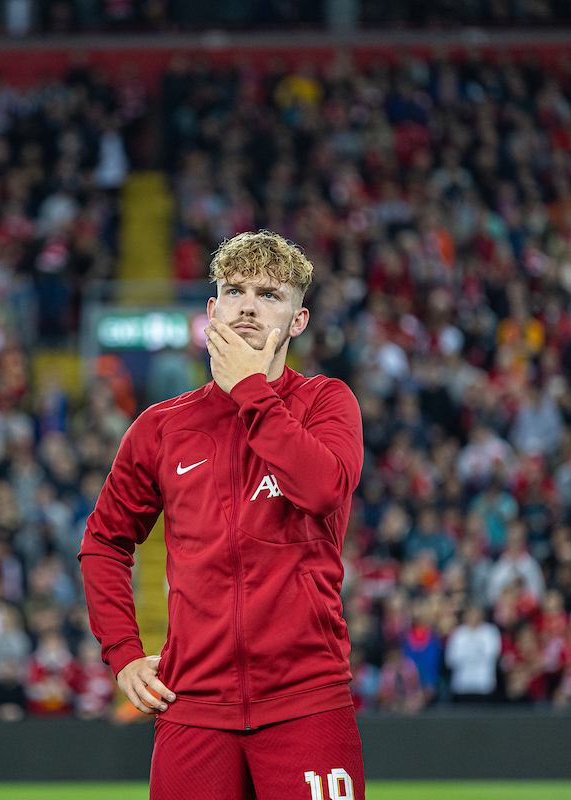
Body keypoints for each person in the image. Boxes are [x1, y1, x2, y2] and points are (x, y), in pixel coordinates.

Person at [80, 231, 365, 799]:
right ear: (211, 310)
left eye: (269, 294)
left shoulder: (326, 403)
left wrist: (251, 392)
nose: (249, 306)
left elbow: (325, 488)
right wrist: (124, 653)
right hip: (194, 709)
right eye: (234, 290)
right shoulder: (160, 427)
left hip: (306, 700)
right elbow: (104, 542)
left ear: (298, 320)